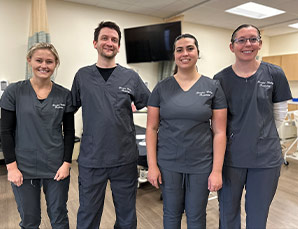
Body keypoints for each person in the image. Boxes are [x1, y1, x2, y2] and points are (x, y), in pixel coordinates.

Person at [71, 21, 150, 229]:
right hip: (92, 159)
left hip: (124, 159)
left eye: (114, 40)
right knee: (88, 215)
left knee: (126, 216)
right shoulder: (82, 76)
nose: (109, 43)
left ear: (119, 46)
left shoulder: (131, 77)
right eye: (105, 38)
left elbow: (151, 104)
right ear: (95, 43)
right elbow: (68, 108)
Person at [214, 24, 292, 229]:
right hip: (231, 158)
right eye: (241, 40)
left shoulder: (275, 73)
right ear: (232, 46)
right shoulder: (220, 79)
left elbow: (278, 114)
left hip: (265, 159)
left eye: (253, 39)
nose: (247, 44)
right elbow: (217, 122)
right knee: (227, 213)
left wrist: (262, 135)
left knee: (258, 215)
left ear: (260, 44)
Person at [146, 33, 227, 228]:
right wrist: (152, 165)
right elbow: (151, 128)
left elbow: (220, 132)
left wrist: (216, 170)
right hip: (168, 163)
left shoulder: (213, 87)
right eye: (179, 49)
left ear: (198, 53)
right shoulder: (162, 88)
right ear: (174, 55)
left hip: (201, 164)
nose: (185, 53)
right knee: (171, 214)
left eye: (190, 48)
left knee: (196, 215)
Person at [0, 42, 75, 228]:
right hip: (23, 168)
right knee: (30, 219)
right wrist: (11, 167)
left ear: (56, 63)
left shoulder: (64, 95)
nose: (44, 65)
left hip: (56, 167)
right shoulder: (14, 92)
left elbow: (70, 132)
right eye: (39, 60)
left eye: (49, 61)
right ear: (29, 61)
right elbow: (5, 131)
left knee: (59, 217)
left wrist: (67, 163)